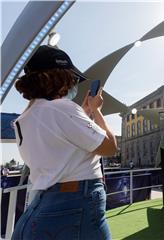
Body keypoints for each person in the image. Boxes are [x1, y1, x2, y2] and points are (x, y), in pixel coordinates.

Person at [12, 45, 117, 240]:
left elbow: (61, 143)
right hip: (77, 202)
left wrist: (83, 115)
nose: (73, 85)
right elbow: (110, 147)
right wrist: (96, 110)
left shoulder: (24, 119)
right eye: (73, 78)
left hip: (42, 205)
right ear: (60, 77)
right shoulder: (63, 108)